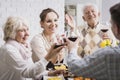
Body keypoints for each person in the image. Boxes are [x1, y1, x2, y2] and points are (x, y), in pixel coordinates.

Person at [66, 2, 120, 80]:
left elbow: (115, 48)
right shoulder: (78, 30)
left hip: (101, 71)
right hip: (84, 70)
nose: (90, 14)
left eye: (92, 11)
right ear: (83, 18)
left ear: (98, 14)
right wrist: (72, 28)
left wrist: (110, 42)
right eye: (87, 13)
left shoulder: (108, 29)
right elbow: (74, 42)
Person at [0, 16, 65, 80]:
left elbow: (32, 70)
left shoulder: (23, 47)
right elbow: (27, 72)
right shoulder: (8, 50)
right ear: (12, 32)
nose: (27, 34)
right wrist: (48, 56)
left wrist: (51, 73)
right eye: (22, 30)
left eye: (27, 29)